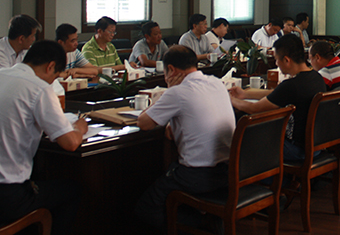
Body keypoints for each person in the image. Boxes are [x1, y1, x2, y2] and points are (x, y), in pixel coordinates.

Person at [0, 40, 88, 235]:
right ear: (50, 66)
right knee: (72, 190)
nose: (52, 82)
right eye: (55, 77)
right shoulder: (39, 88)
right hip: (7, 198)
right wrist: (79, 128)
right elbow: (70, 143)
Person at [135, 45, 235, 232]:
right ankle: (208, 219)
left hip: (197, 176)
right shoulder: (216, 82)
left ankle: (200, 224)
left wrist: (169, 91)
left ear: (171, 69)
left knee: (146, 208)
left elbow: (143, 123)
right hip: (228, 172)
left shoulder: (177, 92)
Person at [230, 34, 326, 161]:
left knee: (245, 138)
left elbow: (254, 108)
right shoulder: (316, 77)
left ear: (286, 60)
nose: (276, 63)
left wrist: (230, 99)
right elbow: (277, 94)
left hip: (297, 150)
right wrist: (244, 94)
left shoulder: (291, 86)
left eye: (276, 60)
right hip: (316, 146)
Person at [0, 14, 41, 81]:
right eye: (32, 36)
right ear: (21, 39)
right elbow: (7, 80)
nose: (34, 39)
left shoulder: (26, 49)